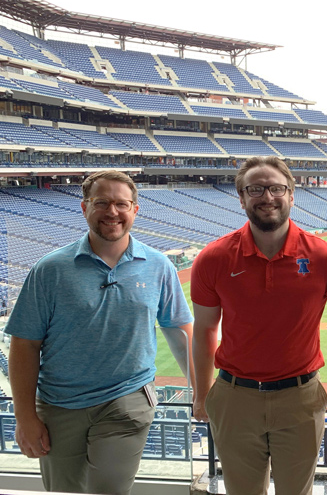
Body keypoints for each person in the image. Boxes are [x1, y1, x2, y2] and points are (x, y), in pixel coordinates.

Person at [6, 170, 194, 494]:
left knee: (109, 489)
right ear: (84, 208)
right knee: (64, 491)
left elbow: (178, 329)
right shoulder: (50, 270)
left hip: (127, 399)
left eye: (122, 204)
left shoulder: (159, 265)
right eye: (102, 202)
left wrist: (203, 391)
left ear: (135, 210)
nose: (112, 212)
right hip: (59, 405)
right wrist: (25, 417)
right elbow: (24, 345)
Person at [191, 155, 327, 495]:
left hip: (300, 397)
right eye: (256, 189)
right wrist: (201, 394)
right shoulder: (214, 258)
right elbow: (205, 329)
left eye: (276, 188)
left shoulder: (325, 258)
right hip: (235, 396)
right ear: (241, 197)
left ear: (292, 195)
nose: (267, 197)